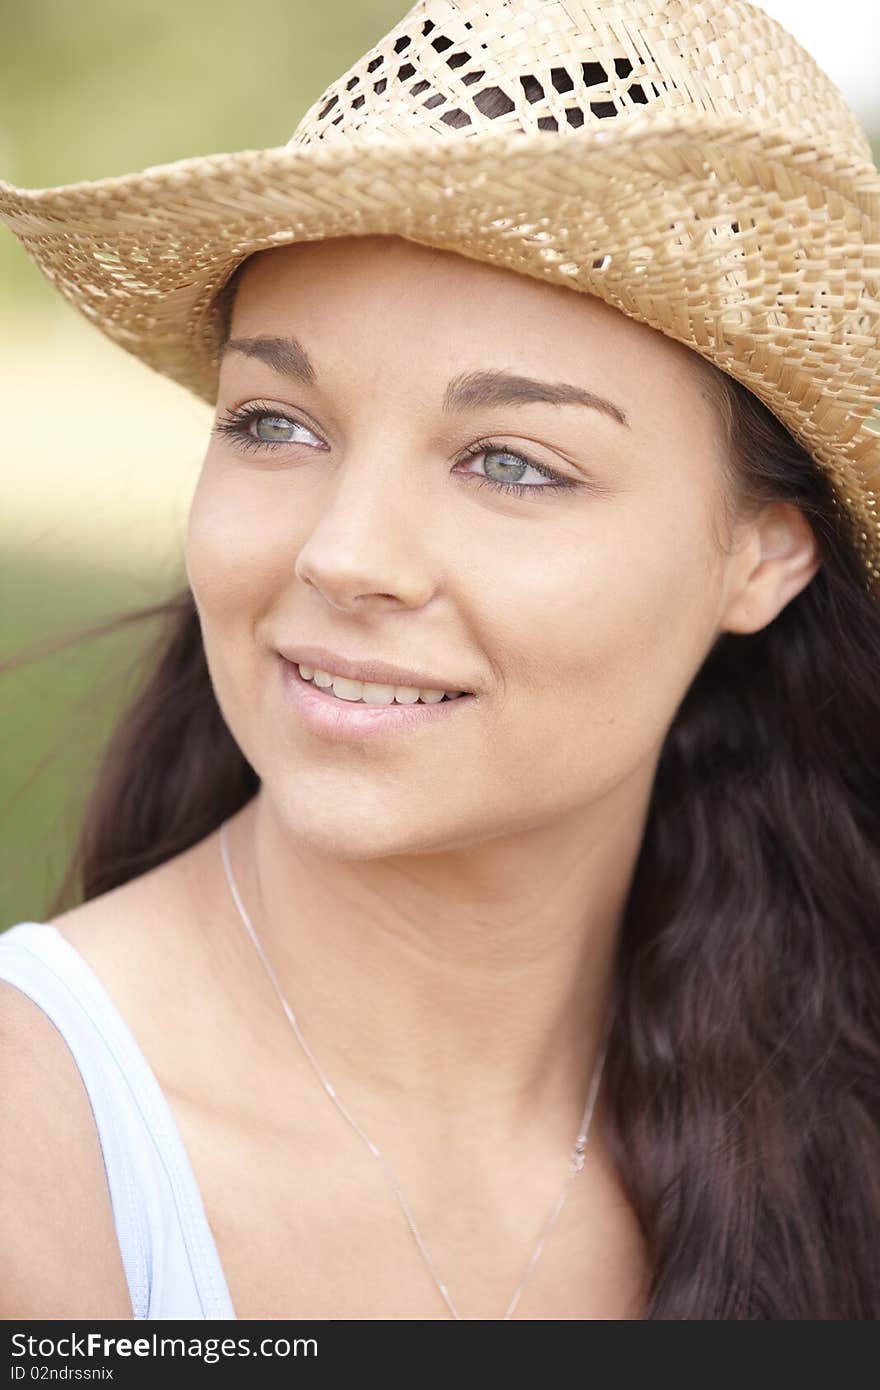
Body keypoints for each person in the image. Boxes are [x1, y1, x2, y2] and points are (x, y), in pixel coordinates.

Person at [0, 0, 878, 1321]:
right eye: (279, 425)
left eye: (510, 461)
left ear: (763, 558)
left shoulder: (832, 1117)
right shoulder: (36, 1154)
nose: (345, 557)